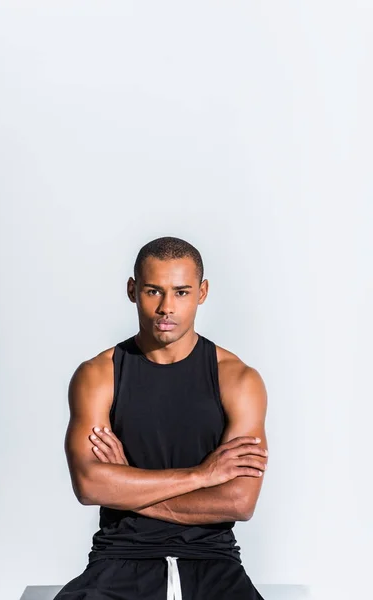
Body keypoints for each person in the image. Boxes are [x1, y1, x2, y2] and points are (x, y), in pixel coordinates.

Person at [54, 236, 269, 600]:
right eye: (154, 291)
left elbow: (238, 502)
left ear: (202, 293)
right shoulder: (98, 375)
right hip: (118, 558)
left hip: (214, 561)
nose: (166, 307)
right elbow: (90, 486)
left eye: (181, 292)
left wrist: (126, 487)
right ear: (132, 290)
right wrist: (202, 476)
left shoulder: (239, 380)